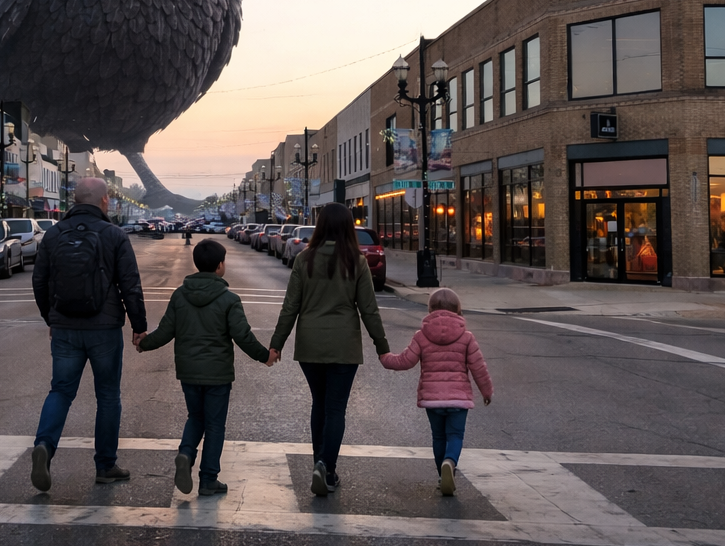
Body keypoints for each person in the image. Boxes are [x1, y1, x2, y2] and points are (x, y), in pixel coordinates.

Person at [30, 176, 147, 490]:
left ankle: (44, 446)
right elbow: (130, 285)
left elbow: (39, 282)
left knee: (60, 391)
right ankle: (105, 466)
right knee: (107, 396)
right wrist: (139, 327)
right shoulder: (114, 235)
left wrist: (51, 318)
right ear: (104, 200)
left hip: (65, 327)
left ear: (75, 200)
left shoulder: (54, 235)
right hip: (104, 328)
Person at [136, 239, 277, 496]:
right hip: (218, 374)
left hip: (188, 372)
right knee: (214, 425)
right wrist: (264, 356)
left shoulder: (180, 295)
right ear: (220, 265)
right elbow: (242, 336)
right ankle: (208, 479)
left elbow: (166, 330)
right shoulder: (229, 299)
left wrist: (144, 344)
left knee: (196, 417)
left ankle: (186, 453)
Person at [268, 202, 388, 496]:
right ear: (348, 227)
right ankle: (326, 467)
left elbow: (290, 307)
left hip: (310, 345)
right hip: (344, 345)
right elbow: (369, 309)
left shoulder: (304, 259)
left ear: (320, 226)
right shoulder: (356, 261)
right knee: (335, 408)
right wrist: (382, 346)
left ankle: (318, 464)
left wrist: (277, 344)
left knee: (319, 405)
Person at [379, 287, 493, 496]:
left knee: (438, 437)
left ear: (430, 309)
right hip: (459, 400)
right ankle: (450, 462)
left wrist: (385, 357)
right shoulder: (467, 337)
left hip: (432, 400)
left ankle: (442, 476)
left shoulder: (421, 336)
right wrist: (487, 392)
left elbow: (405, 361)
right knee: (455, 435)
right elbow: (479, 368)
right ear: (458, 309)